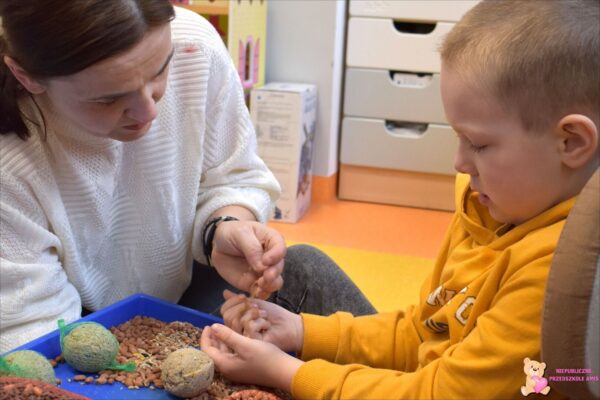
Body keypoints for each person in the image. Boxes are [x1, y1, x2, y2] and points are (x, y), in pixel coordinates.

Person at [199, 1, 600, 398]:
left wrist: (288, 373)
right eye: (459, 138)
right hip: (431, 376)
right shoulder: (491, 203)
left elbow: (439, 393)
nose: (459, 163)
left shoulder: (553, 275)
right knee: (300, 268)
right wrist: (303, 332)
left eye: (478, 144)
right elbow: (424, 331)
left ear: (571, 142)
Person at [0, 0, 375, 353]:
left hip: (186, 288)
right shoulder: (10, 163)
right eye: (108, 99)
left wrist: (224, 227)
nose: (148, 112)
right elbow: (37, 337)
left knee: (306, 268)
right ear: (25, 77)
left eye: (160, 70)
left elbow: (233, 173)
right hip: (82, 328)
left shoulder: (194, 47)